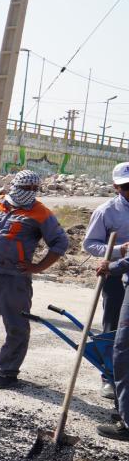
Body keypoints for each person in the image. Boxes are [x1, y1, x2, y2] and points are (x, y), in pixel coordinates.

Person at [0, 170, 69, 389]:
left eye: (34, 189)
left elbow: (60, 243)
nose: (30, 192)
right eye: (26, 188)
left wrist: (38, 267)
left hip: (14, 279)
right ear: (15, 186)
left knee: (16, 326)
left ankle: (8, 372)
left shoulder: (40, 212)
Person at [82, 161, 129, 400]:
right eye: (126, 186)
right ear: (116, 187)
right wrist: (121, 250)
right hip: (115, 274)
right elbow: (91, 244)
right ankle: (109, 377)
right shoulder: (106, 211)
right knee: (114, 326)